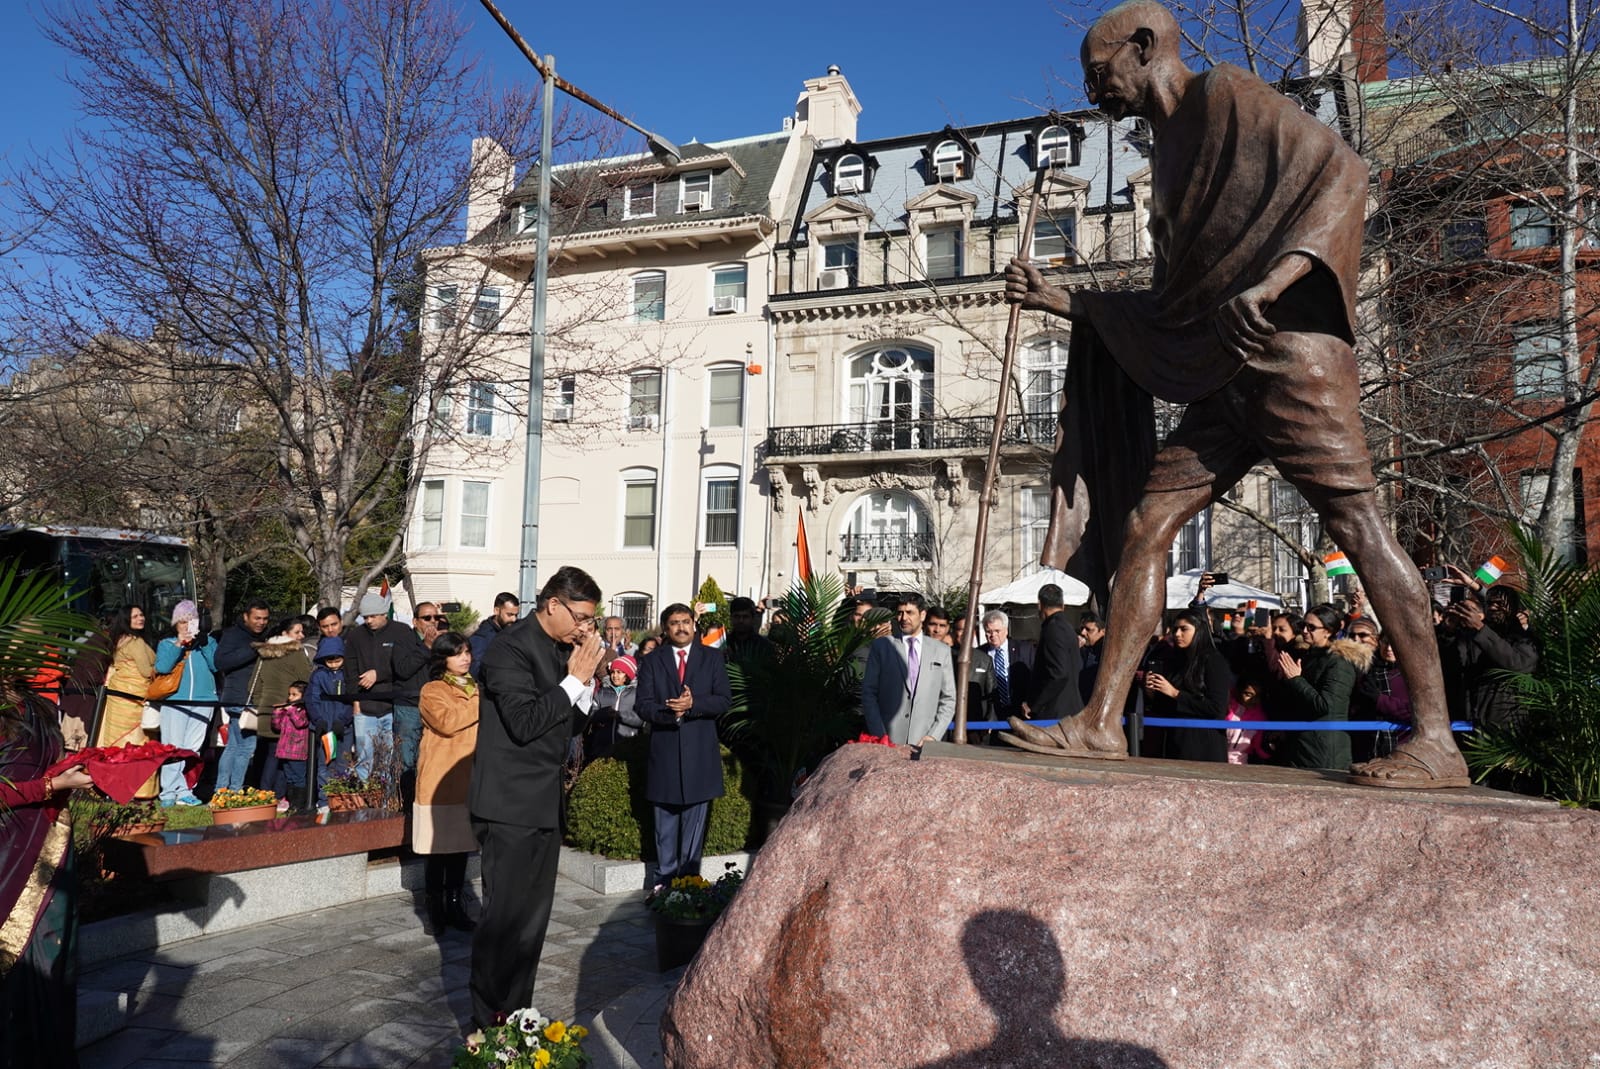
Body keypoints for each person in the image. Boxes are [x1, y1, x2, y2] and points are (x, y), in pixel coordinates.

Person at [1001, 0, 1466, 789]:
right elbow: (1175, 298)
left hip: (1288, 357)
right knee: (1149, 522)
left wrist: (1278, 282)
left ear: (1144, 48)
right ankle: (1101, 722)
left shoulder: (1227, 96)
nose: (1093, 93)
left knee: (1357, 525)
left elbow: (1341, 173)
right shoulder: (1162, 160)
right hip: (1223, 376)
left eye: (1098, 72)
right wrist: (1063, 300)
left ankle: (1435, 739)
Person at [467, 566, 603, 1031]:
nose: (586, 627)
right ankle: (488, 1028)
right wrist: (574, 679)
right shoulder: (508, 648)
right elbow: (525, 723)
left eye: (591, 619)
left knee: (531, 925)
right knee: (502, 922)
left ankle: (516, 1016)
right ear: (552, 604)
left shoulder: (563, 650)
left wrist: (583, 683)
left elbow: (570, 725)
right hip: (507, 804)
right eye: (582, 616)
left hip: (544, 802)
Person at [0, 684, 95, 1069]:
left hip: (53, 843)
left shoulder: (36, 703)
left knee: (55, 956)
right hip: (9, 854)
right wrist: (53, 786)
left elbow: (45, 765)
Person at [636, 603, 732, 885]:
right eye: (674, 623)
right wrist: (670, 712)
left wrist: (693, 705)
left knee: (694, 825)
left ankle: (690, 883)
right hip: (664, 751)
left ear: (694, 624)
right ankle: (662, 882)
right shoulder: (653, 661)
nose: (681, 627)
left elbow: (724, 699)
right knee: (664, 823)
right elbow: (642, 705)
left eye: (686, 621)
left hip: (700, 754)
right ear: (665, 629)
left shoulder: (713, 658)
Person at [417, 632, 481, 936]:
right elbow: (447, 721)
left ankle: (456, 905)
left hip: (469, 778)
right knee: (437, 851)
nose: (465, 657)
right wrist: (482, 704)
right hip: (440, 779)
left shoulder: (476, 688)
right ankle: (436, 909)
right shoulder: (432, 690)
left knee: (459, 850)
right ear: (443, 658)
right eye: (457, 653)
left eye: (467, 651)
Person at [1273, 603, 1370, 771]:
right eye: (1303, 625)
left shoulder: (1339, 662)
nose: (1304, 631)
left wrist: (1296, 679)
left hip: (1324, 748)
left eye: (1311, 627)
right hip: (1301, 743)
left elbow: (1325, 706)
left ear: (1328, 631)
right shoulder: (1307, 655)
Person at [861, 593, 957, 746]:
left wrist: (933, 736)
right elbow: (868, 693)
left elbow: (948, 698)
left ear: (923, 615)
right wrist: (879, 734)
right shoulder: (882, 647)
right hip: (887, 741)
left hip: (925, 742)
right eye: (900, 613)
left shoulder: (941, 650)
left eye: (910, 613)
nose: (904, 618)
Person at [1440, 585, 1538, 732]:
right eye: (1489, 603)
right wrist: (1449, 632)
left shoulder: (1525, 637)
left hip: (1507, 722)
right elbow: (1453, 668)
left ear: (1513, 607)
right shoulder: (1473, 634)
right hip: (1471, 721)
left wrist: (1481, 629)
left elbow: (1519, 664)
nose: (1493, 608)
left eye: (1499, 603)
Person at [1141, 609, 1230, 762]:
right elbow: (1166, 708)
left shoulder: (1213, 661)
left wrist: (1176, 693)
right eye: (1175, 629)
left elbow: (1216, 708)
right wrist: (1152, 693)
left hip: (1204, 746)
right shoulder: (1176, 660)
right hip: (1175, 743)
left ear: (1199, 631)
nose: (1177, 634)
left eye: (1184, 629)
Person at [153, 600, 216, 807]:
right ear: (175, 624)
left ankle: (186, 791)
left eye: (191, 621)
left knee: (192, 749)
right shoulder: (166, 644)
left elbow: (216, 665)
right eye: (182, 621)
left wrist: (204, 641)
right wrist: (179, 644)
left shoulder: (207, 643)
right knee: (173, 747)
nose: (187, 626)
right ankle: (169, 793)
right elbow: (162, 667)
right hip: (175, 701)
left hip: (204, 701)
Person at [246, 618, 313, 797]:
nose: (302, 635)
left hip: (266, 709)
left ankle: (264, 792)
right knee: (285, 757)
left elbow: (254, 684)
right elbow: (307, 680)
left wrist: (263, 702)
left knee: (269, 755)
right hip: (288, 711)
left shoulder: (264, 652)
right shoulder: (296, 652)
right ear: (285, 633)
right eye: (297, 632)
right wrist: (293, 703)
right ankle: (279, 795)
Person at [96, 606, 157, 800]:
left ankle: (112, 787)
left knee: (115, 743)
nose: (141, 618)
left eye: (141, 614)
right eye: (135, 616)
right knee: (137, 744)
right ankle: (138, 789)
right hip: (134, 700)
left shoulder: (118, 641)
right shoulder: (136, 642)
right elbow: (147, 671)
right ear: (126, 620)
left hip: (117, 698)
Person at [214, 599, 271, 790]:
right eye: (257, 618)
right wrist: (254, 649)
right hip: (240, 698)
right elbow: (220, 662)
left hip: (246, 698)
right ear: (246, 616)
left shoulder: (262, 635)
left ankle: (222, 790)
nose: (261, 622)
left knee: (233, 747)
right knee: (246, 747)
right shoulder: (233, 635)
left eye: (264, 619)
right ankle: (234, 790)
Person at [345, 593, 400, 783]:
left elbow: (404, 667)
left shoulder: (400, 631)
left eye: (373, 616)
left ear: (384, 613)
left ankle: (387, 800)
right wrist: (356, 702)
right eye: (365, 617)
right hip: (365, 706)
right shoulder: (355, 636)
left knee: (389, 757)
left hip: (392, 705)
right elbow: (350, 672)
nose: (369, 620)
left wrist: (379, 674)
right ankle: (363, 799)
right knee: (364, 757)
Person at [392, 602, 444, 798]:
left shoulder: (442, 641)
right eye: (427, 618)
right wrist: (426, 647)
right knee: (407, 759)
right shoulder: (404, 641)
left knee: (431, 757)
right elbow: (403, 669)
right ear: (415, 621)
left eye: (436, 618)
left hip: (435, 708)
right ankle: (405, 802)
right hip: (409, 707)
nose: (433, 622)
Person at [306, 635, 354, 811]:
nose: (333, 662)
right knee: (325, 765)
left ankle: (341, 799)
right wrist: (318, 720)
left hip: (344, 729)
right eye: (329, 658)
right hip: (325, 729)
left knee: (343, 764)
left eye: (337, 658)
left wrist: (343, 720)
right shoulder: (318, 675)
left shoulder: (348, 675)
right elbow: (311, 699)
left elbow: (352, 700)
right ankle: (324, 801)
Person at [1032, 585, 1085, 725]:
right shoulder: (1068, 628)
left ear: (1040, 605)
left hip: (1055, 714)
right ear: (1063, 605)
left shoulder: (1053, 629)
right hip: (1069, 710)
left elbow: (1059, 674)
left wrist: (1036, 705)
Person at [980, 611, 1035, 722]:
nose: (993, 635)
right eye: (989, 631)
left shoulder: (1025, 649)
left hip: (1021, 713)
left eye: (997, 631)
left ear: (1006, 630)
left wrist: (1029, 702)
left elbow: (1036, 678)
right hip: (991, 716)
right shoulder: (979, 654)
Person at [590, 654, 642, 764]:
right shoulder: (602, 692)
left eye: (619, 672)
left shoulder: (637, 694)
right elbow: (591, 714)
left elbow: (640, 719)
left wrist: (620, 715)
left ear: (627, 675)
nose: (615, 676)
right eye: (613, 672)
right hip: (602, 747)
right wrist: (604, 713)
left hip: (627, 746)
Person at [271, 682, 311, 812]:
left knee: (299, 778)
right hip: (284, 750)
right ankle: (291, 803)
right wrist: (277, 713)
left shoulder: (305, 710)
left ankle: (299, 804)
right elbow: (277, 727)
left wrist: (291, 710)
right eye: (289, 694)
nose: (290, 697)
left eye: (294, 694)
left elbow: (300, 723)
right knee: (289, 778)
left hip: (297, 751)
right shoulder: (287, 710)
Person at [469, 591, 521, 673]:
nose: (513, 619)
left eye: (516, 615)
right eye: (509, 615)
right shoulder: (482, 638)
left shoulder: (516, 631)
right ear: (497, 611)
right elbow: (476, 670)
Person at [1076, 613, 1105, 704]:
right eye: (1082, 628)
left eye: (1088, 630)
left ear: (1102, 631)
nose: (1083, 633)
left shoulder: (1104, 652)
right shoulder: (1087, 650)